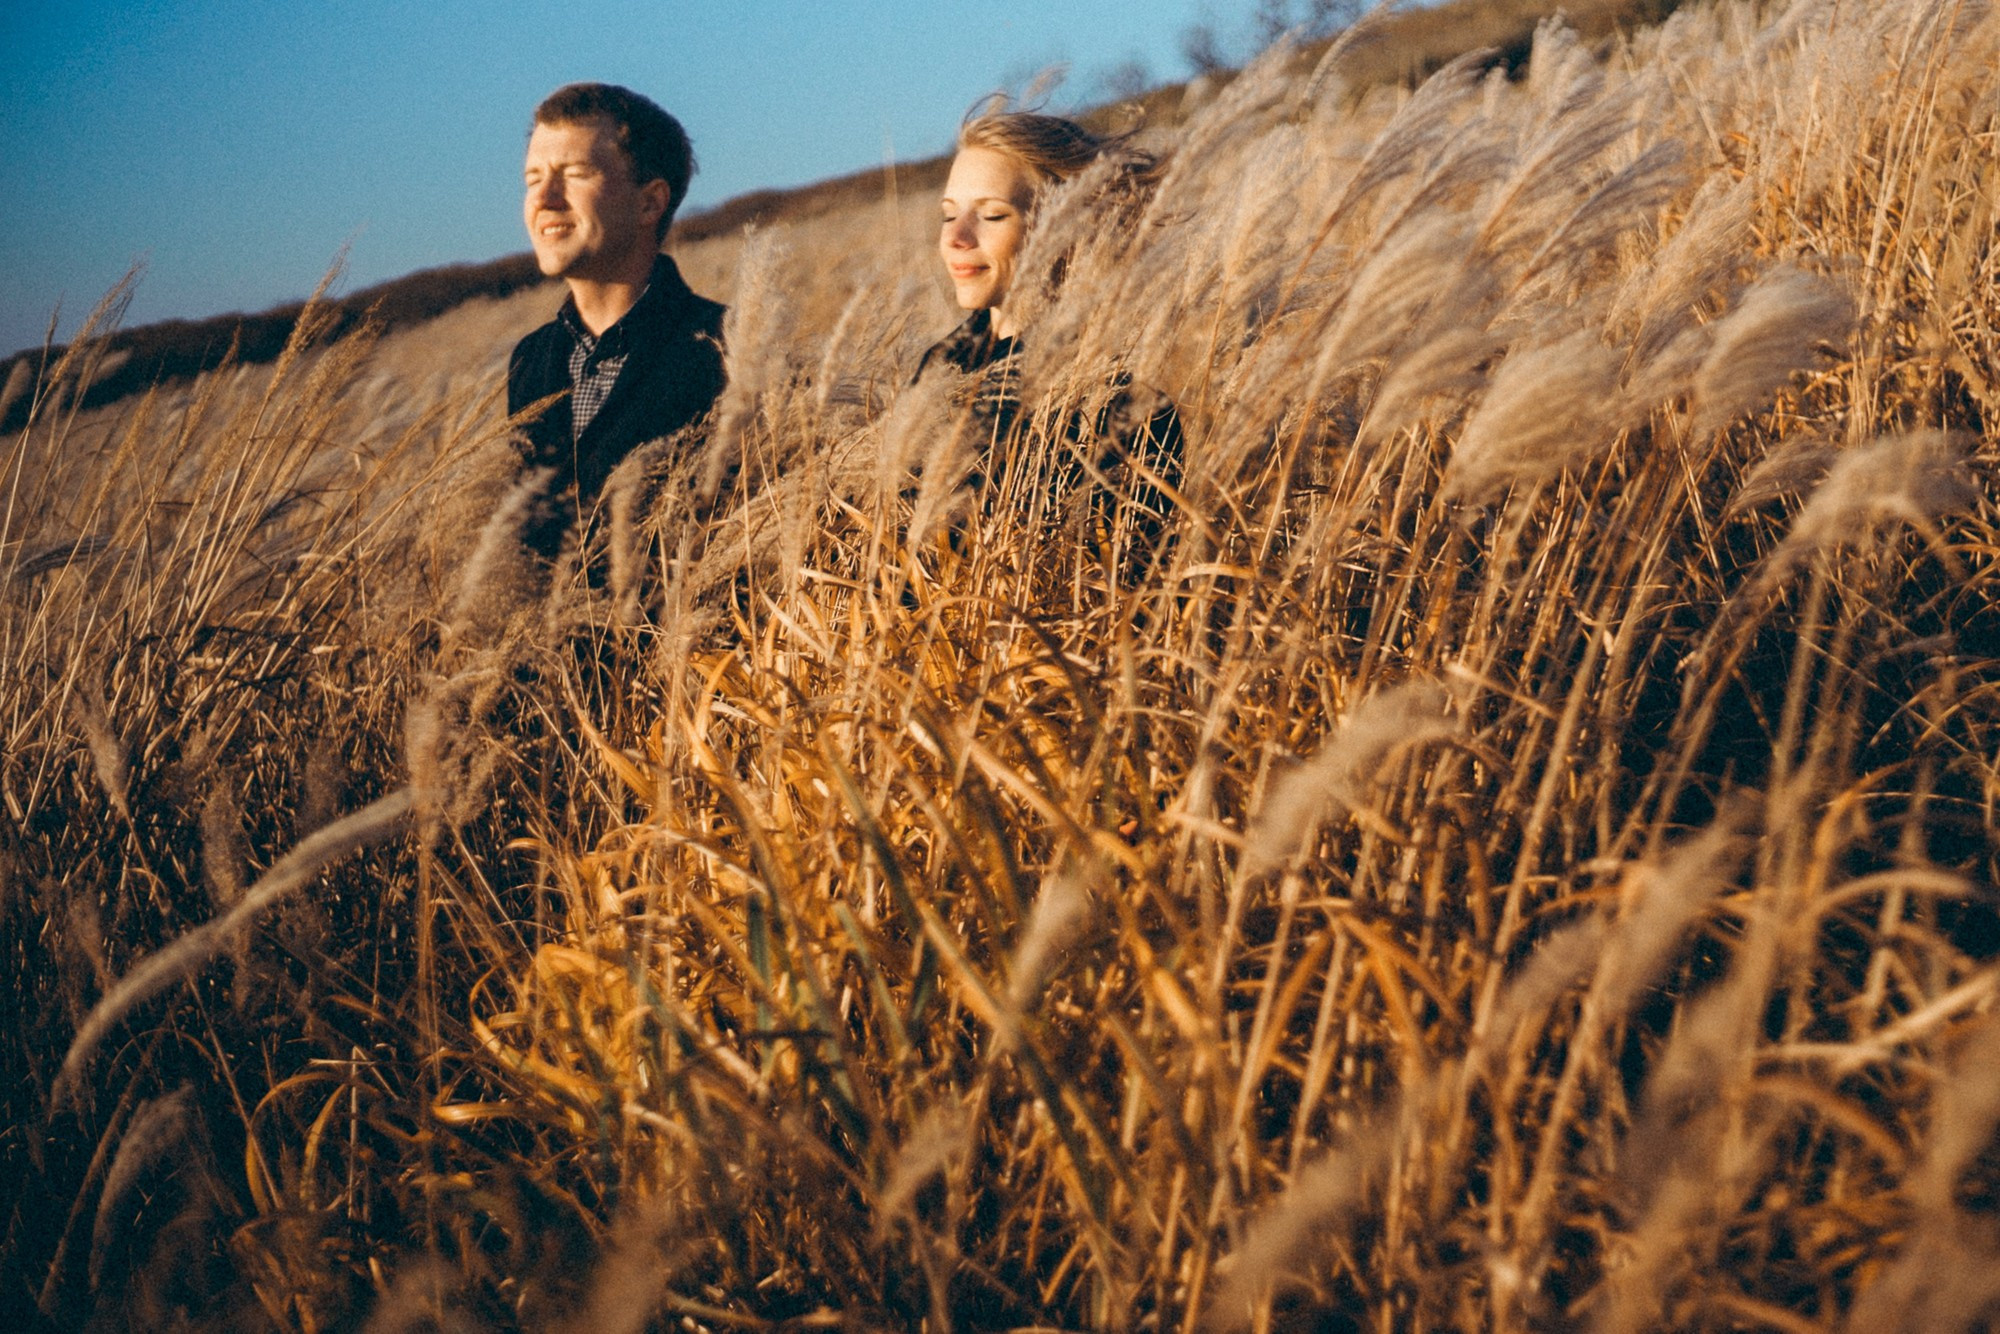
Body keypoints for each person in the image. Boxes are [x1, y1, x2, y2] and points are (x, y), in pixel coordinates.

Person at [916, 107, 1180, 558]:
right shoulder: (942, 364)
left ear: (1063, 225)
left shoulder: (1112, 396)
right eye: (948, 214)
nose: (957, 237)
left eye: (992, 216)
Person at [508, 83, 727, 562]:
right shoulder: (530, 360)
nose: (544, 198)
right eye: (532, 178)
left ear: (650, 203)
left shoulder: (724, 347)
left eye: (575, 174)